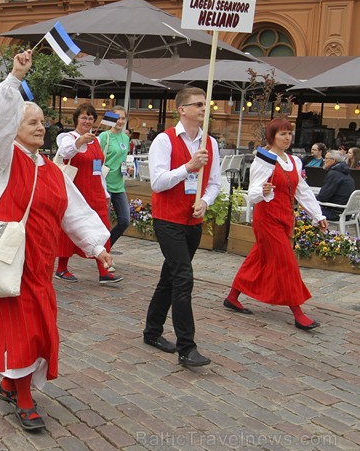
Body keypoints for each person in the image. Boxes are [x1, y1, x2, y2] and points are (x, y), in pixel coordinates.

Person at [0, 50, 112, 431]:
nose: (40, 127)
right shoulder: (1, 160)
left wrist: (98, 248)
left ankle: (9, 383)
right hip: (10, 263)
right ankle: (23, 398)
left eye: (42, 121)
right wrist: (16, 78)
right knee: (25, 331)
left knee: (42, 328)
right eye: (31, 122)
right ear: (14, 130)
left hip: (40, 266)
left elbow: (75, 212)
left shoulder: (51, 169)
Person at [143, 87, 221, 368]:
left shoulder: (210, 143)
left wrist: (205, 200)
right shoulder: (164, 141)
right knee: (183, 278)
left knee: (170, 277)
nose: (203, 108)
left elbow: (214, 182)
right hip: (168, 220)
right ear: (182, 109)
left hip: (193, 221)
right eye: (198, 104)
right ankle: (187, 347)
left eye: (205, 104)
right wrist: (188, 167)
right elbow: (158, 182)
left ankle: (152, 332)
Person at [226, 119, 328, 330]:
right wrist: (262, 190)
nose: (288, 138)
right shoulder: (264, 160)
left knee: (258, 257)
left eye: (289, 133)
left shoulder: (294, 161)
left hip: (284, 217)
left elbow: (303, 191)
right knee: (286, 263)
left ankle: (232, 296)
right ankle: (298, 313)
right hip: (267, 217)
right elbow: (252, 192)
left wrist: (318, 215)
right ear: (272, 137)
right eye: (282, 134)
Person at [54, 103, 122, 284]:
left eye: (91, 118)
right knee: (70, 230)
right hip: (76, 191)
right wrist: (80, 141)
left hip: (96, 191)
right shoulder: (68, 137)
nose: (87, 121)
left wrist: (105, 192)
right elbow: (65, 152)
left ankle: (104, 270)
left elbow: (98, 169)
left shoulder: (97, 140)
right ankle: (61, 267)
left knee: (103, 229)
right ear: (76, 118)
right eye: (84, 117)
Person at [98, 105, 131, 260]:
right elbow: (96, 159)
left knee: (125, 221)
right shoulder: (104, 136)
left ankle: (106, 248)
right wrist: (96, 177)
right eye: (117, 118)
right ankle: (103, 255)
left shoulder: (126, 137)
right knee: (103, 223)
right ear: (111, 119)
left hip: (119, 185)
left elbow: (123, 160)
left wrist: (127, 169)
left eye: (123, 118)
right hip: (105, 185)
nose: (120, 121)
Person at [316, 150, 355, 220]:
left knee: (305, 211)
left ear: (333, 161)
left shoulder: (334, 174)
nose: (324, 160)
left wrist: (312, 199)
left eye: (326, 158)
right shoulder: (345, 173)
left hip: (335, 213)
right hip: (347, 213)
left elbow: (323, 197)